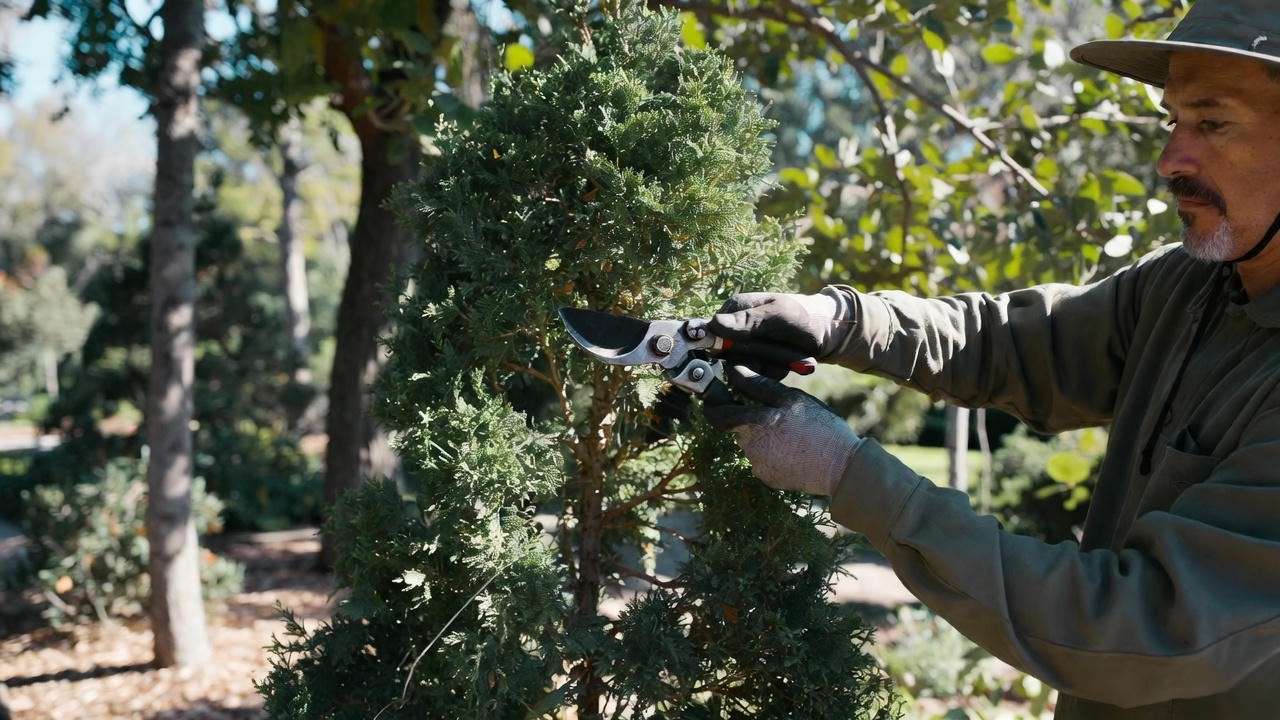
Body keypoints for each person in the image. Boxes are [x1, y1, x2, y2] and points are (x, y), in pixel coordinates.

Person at [702, 2, 1280, 717]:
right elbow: (1020, 342)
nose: (1170, 161)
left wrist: (849, 474)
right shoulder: (1191, 285)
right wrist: (842, 319)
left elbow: (1132, 626)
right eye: (1172, 121)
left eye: (1212, 123)